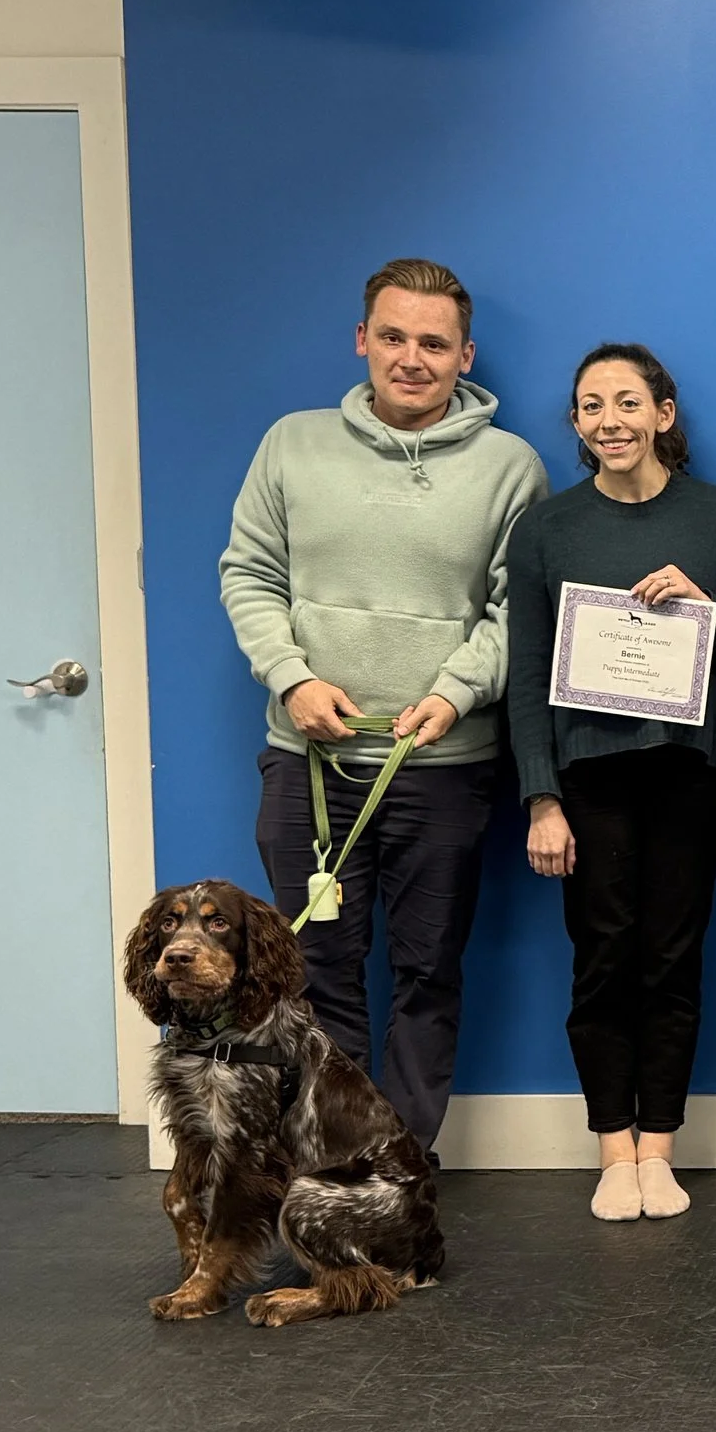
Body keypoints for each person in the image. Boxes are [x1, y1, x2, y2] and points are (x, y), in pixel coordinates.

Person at [222, 257, 547, 1156]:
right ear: (362, 338)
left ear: (465, 354)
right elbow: (248, 574)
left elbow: (518, 606)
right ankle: (330, 1157)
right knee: (311, 970)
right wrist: (293, 677)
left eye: (434, 343)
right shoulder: (292, 443)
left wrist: (451, 694)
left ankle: (398, 1166)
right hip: (308, 760)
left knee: (426, 970)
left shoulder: (511, 467)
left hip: (443, 765)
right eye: (394, 336)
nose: (413, 358)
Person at [506, 344, 716, 1223]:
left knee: (672, 954)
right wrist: (541, 795)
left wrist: (704, 611)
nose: (610, 420)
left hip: (693, 766)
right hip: (588, 773)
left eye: (628, 402)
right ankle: (611, 1148)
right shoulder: (546, 528)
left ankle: (660, 1148)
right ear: (576, 423)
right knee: (602, 954)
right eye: (590, 405)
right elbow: (526, 671)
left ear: (664, 412)